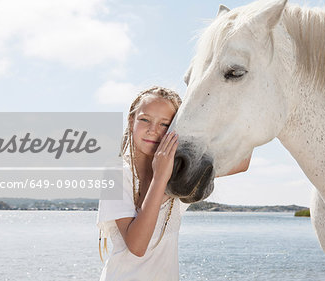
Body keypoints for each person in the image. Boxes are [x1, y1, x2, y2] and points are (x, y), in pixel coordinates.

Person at [96, 86, 251, 281]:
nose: (153, 130)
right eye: (145, 119)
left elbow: (242, 161)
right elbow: (137, 246)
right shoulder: (117, 173)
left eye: (164, 124)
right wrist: (161, 179)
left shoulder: (178, 173)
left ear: (175, 129)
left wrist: (242, 99)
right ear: (131, 120)